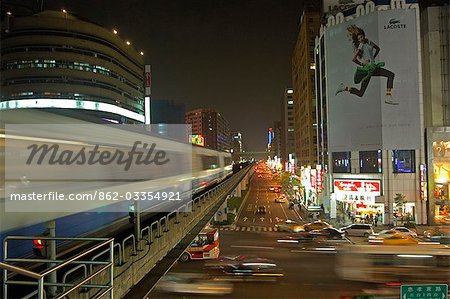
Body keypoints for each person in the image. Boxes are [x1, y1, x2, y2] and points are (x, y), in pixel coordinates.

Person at [335, 24, 398, 105]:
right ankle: (344, 88)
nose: (361, 39)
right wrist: (362, 64)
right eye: (359, 38)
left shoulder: (369, 42)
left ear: (364, 36)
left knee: (390, 75)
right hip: (367, 69)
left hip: (373, 67)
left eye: (362, 37)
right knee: (361, 93)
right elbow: (353, 59)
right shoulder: (361, 45)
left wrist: (373, 59)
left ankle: (388, 96)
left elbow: (378, 49)